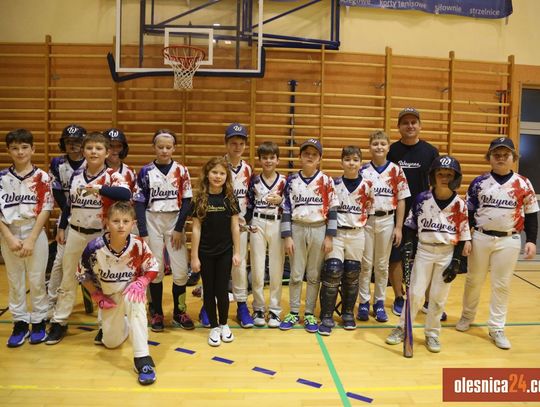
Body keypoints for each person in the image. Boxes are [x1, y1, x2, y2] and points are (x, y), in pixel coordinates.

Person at [45, 132, 131, 345]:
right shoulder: (76, 175)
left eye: (99, 148)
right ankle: (60, 321)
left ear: (107, 153)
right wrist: (62, 226)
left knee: (103, 281)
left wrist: (99, 188)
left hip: (100, 235)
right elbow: (69, 203)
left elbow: (125, 194)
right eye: (90, 148)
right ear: (83, 151)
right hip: (75, 232)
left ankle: (104, 325)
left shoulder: (112, 176)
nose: (94, 152)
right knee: (68, 278)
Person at [456, 137, 538, 350]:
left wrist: (531, 240)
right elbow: (469, 213)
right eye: (497, 155)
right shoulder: (479, 182)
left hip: (509, 240)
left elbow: (531, 215)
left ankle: (497, 327)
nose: (501, 158)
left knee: (501, 285)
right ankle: (467, 316)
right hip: (480, 237)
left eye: (505, 155)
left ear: (513, 157)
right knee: (474, 280)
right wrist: (466, 238)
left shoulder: (523, 183)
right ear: (490, 158)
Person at [385, 156, 471, 353]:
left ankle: (432, 333)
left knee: (438, 298)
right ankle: (402, 328)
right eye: (440, 174)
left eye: (449, 175)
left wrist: (456, 261)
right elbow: (410, 226)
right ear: (433, 176)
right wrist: (408, 245)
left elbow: (463, 235)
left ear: (456, 178)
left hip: (446, 253)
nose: (444, 178)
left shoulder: (460, 204)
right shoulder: (422, 199)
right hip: (424, 251)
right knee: (415, 294)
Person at [77, 201, 158, 385]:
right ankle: (120, 324)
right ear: (106, 223)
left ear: (133, 224)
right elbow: (82, 275)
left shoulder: (139, 244)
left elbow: (153, 267)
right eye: (116, 221)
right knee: (111, 343)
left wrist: (143, 281)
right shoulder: (94, 248)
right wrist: (97, 296)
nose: (121, 225)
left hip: (131, 292)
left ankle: (143, 359)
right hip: (110, 298)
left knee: (135, 298)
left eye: (125, 221)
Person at [133, 129, 194, 332]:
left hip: (175, 221)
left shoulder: (181, 171)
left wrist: (179, 228)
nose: (164, 151)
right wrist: (143, 231)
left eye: (168, 147)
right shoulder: (145, 171)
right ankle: (157, 311)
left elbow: (187, 201)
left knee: (181, 271)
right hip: (152, 219)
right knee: (155, 268)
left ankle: (179, 311)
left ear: (174, 148)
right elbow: (139, 202)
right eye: (160, 147)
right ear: (154, 147)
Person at [0, 129, 53, 347]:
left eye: (24, 147)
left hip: (34, 231)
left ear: (33, 149)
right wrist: (9, 237)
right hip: (9, 232)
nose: (20, 152)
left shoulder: (42, 177)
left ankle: (39, 321)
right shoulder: (2, 178)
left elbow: (46, 209)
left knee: (37, 279)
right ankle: (20, 322)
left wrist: (31, 239)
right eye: (15, 148)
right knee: (15, 280)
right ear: (8, 151)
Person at [280, 138, 339, 333]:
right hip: (297, 228)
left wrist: (329, 236)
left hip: (319, 228)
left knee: (314, 275)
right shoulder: (291, 181)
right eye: (306, 154)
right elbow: (286, 209)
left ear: (319, 158)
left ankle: (309, 313)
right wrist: (287, 236)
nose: (310, 157)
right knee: (296, 274)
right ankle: (293, 311)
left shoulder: (326, 181)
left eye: (314, 154)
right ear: (300, 156)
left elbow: (332, 210)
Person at [387, 107, 439, 317]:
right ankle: (399, 297)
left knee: (425, 257)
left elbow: (437, 183)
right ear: (399, 127)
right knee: (396, 257)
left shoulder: (431, 152)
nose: (409, 126)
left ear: (420, 125)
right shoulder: (392, 151)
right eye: (405, 123)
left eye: (413, 122)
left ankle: (425, 300)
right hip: (396, 213)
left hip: (424, 214)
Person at [318, 146, 374, 335]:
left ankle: (348, 313)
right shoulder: (333, 183)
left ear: (361, 163)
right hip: (336, 233)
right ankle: (326, 315)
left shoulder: (367, 185)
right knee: (332, 271)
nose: (351, 163)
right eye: (348, 159)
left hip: (357, 233)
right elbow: (327, 210)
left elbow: (369, 211)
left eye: (355, 160)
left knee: (352, 273)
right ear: (341, 162)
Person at [358, 131, 410, 323]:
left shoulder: (396, 171)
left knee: (381, 265)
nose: (379, 147)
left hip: (387, 220)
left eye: (382, 144)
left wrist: (399, 227)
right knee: (365, 264)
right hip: (367, 221)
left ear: (388, 147)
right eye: (375, 144)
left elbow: (402, 200)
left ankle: (379, 302)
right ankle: (363, 301)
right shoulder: (363, 171)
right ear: (369, 147)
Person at [190, 157, 241, 346]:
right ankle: (213, 326)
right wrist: (194, 256)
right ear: (207, 174)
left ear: (226, 176)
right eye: (214, 172)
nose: (218, 176)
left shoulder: (230, 198)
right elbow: (196, 228)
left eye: (222, 173)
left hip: (225, 251)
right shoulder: (200, 198)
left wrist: (237, 252)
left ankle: (224, 324)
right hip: (205, 252)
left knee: (222, 290)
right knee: (209, 290)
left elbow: (235, 226)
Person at [47, 124, 87, 318]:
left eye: (77, 141)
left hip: (88, 217)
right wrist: (67, 213)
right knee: (59, 262)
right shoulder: (57, 163)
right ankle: (51, 301)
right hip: (66, 216)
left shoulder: (91, 161)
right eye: (68, 141)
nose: (72, 145)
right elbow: (56, 191)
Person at [245, 141, 286, 327]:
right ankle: (259, 308)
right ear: (260, 160)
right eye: (264, 158)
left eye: (272, 157)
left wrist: (282, 200)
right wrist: (245, 223)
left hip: (277, 223)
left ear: (277, 160)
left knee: (277, 268)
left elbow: (291, 204)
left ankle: (275, 310)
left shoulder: (285, 181)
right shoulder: (254, 180)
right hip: (257, 223)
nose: (268, 161)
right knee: (257, 268)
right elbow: (248, 204)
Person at [103, 128, 137, 194]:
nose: (115, 150)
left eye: (118, 146)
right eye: (110, 146)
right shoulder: (97, 170)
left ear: (124, 149)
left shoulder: (130, 172)